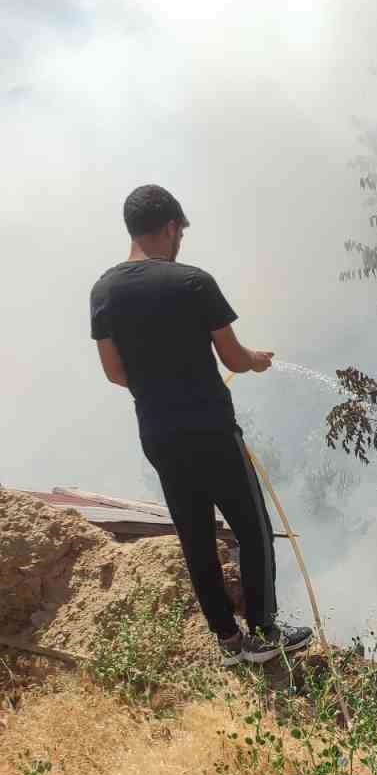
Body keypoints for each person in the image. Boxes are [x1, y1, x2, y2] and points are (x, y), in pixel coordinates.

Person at [90, 184, 312, 666]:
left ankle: (228, 641)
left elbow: (114, 372)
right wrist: (253, 361)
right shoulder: (193, 282)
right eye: (179, 233)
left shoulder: (104, 291)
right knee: (252, 528)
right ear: (171, 227)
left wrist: (156, 388)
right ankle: (265, 632)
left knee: (195, 535)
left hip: (160, 434)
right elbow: (232, 355)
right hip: (211, 428)